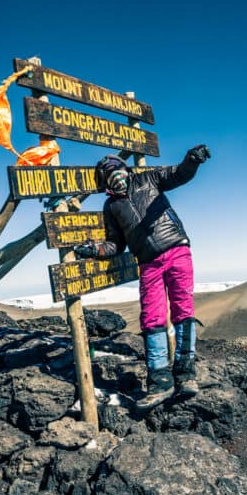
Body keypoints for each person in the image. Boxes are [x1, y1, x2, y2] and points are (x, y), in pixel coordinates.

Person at [75, 144, 211, 410]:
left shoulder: (147, 179)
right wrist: (95, 250)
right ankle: (160, 382)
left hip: (176, 250)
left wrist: (191, 160)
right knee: (151, 318)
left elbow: (178, 174)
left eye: (117, 169)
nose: (114, 174)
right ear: (104, 180)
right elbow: (116, 244)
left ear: (126, 169)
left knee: (183, 311)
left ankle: (186, 375)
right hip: (148, 263)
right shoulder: (111, 206)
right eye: (108, 172)